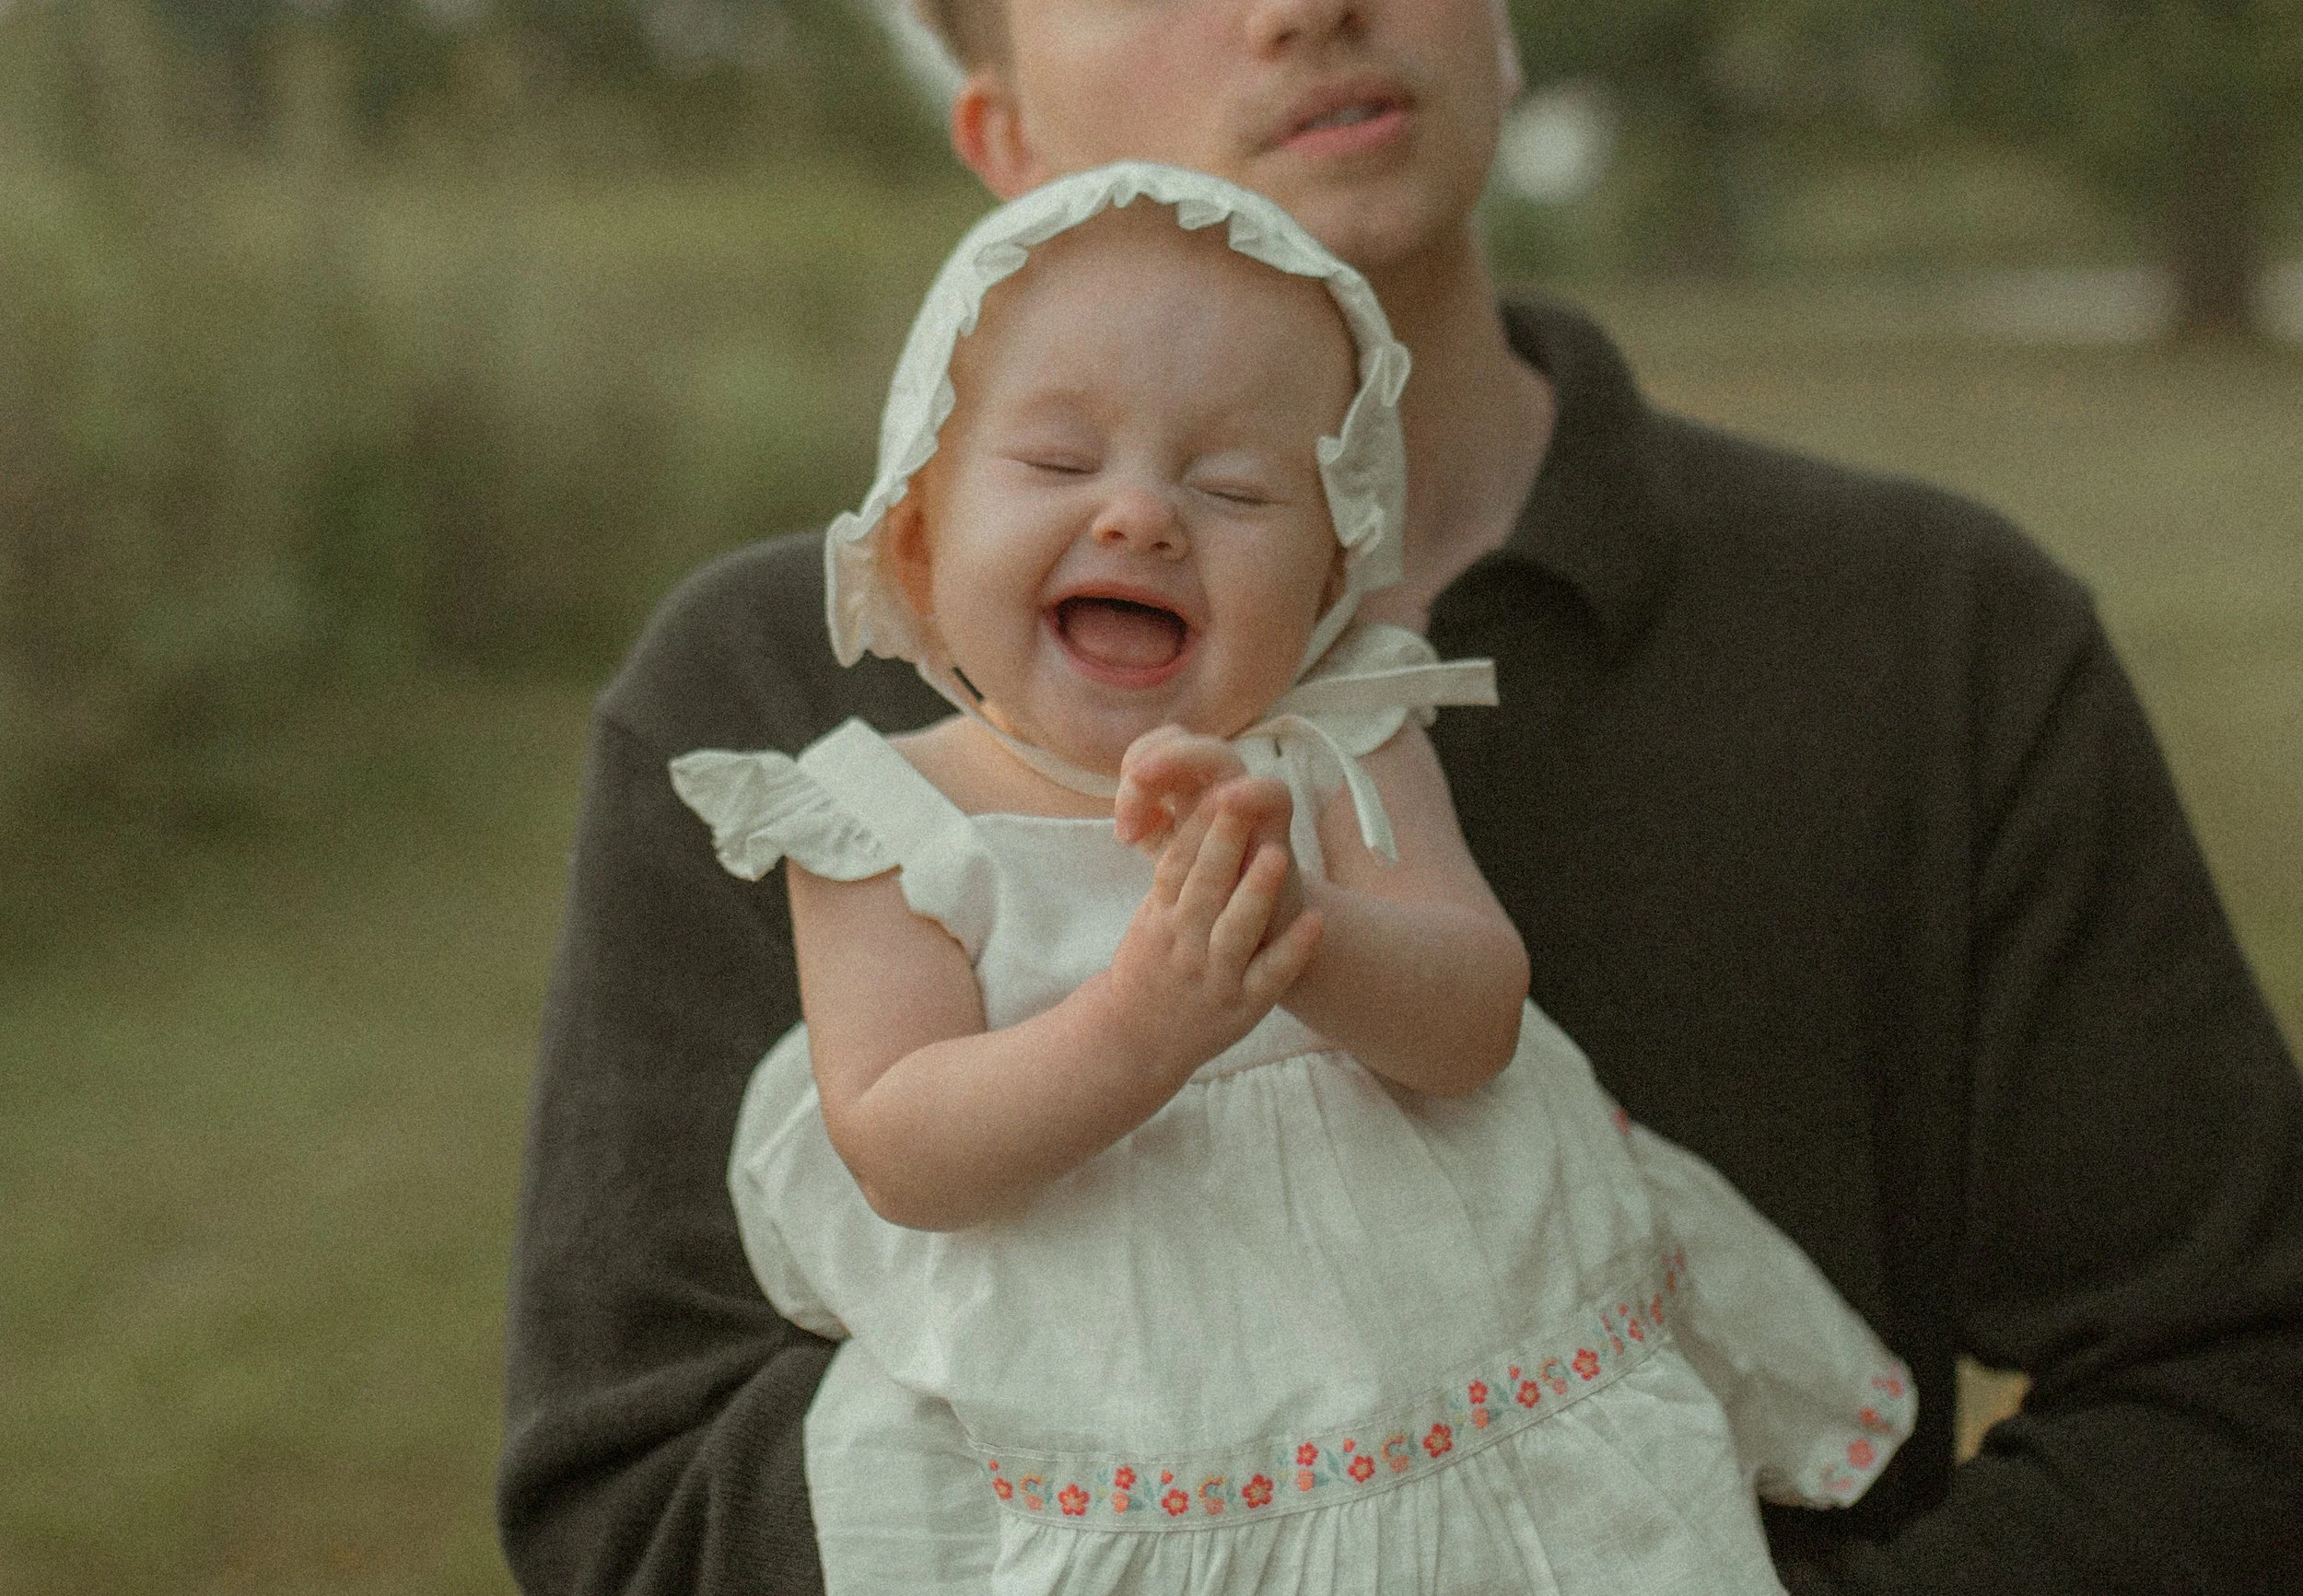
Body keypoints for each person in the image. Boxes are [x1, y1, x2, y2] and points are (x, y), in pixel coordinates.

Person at [497, 4, 2303, 1592]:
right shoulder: (770, 705)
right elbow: (633, 1504)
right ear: (1000, 124)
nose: (1302, 5)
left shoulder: (1928, 634)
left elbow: (2235, 1385)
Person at [661, 164, 1914, 1594]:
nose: (1139, 518)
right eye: (1062, 465)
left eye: (1234, 485)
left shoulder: (1340, 744)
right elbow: (900, 1147)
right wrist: (1140, 1025)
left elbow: (1475, 1020)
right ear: (921, 539)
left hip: (1472, 1376)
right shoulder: (887, 823)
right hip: (1132, 1419)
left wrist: (1304, 934)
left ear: (1328, 582)